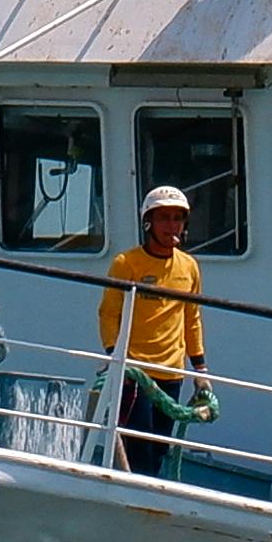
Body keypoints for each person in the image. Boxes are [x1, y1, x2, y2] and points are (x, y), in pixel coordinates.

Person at [101, 186, 207, 475]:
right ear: (149, 222)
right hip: (135, 373)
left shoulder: (189, 267)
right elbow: (109, 313)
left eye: (177, 218)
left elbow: (191, 317)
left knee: (159, 451)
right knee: (139, 449)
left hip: (172, 374)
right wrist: (115, 357)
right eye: (164, 218)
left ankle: (144, 510)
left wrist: (200, 369)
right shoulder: (127, 263)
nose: (171, 226)